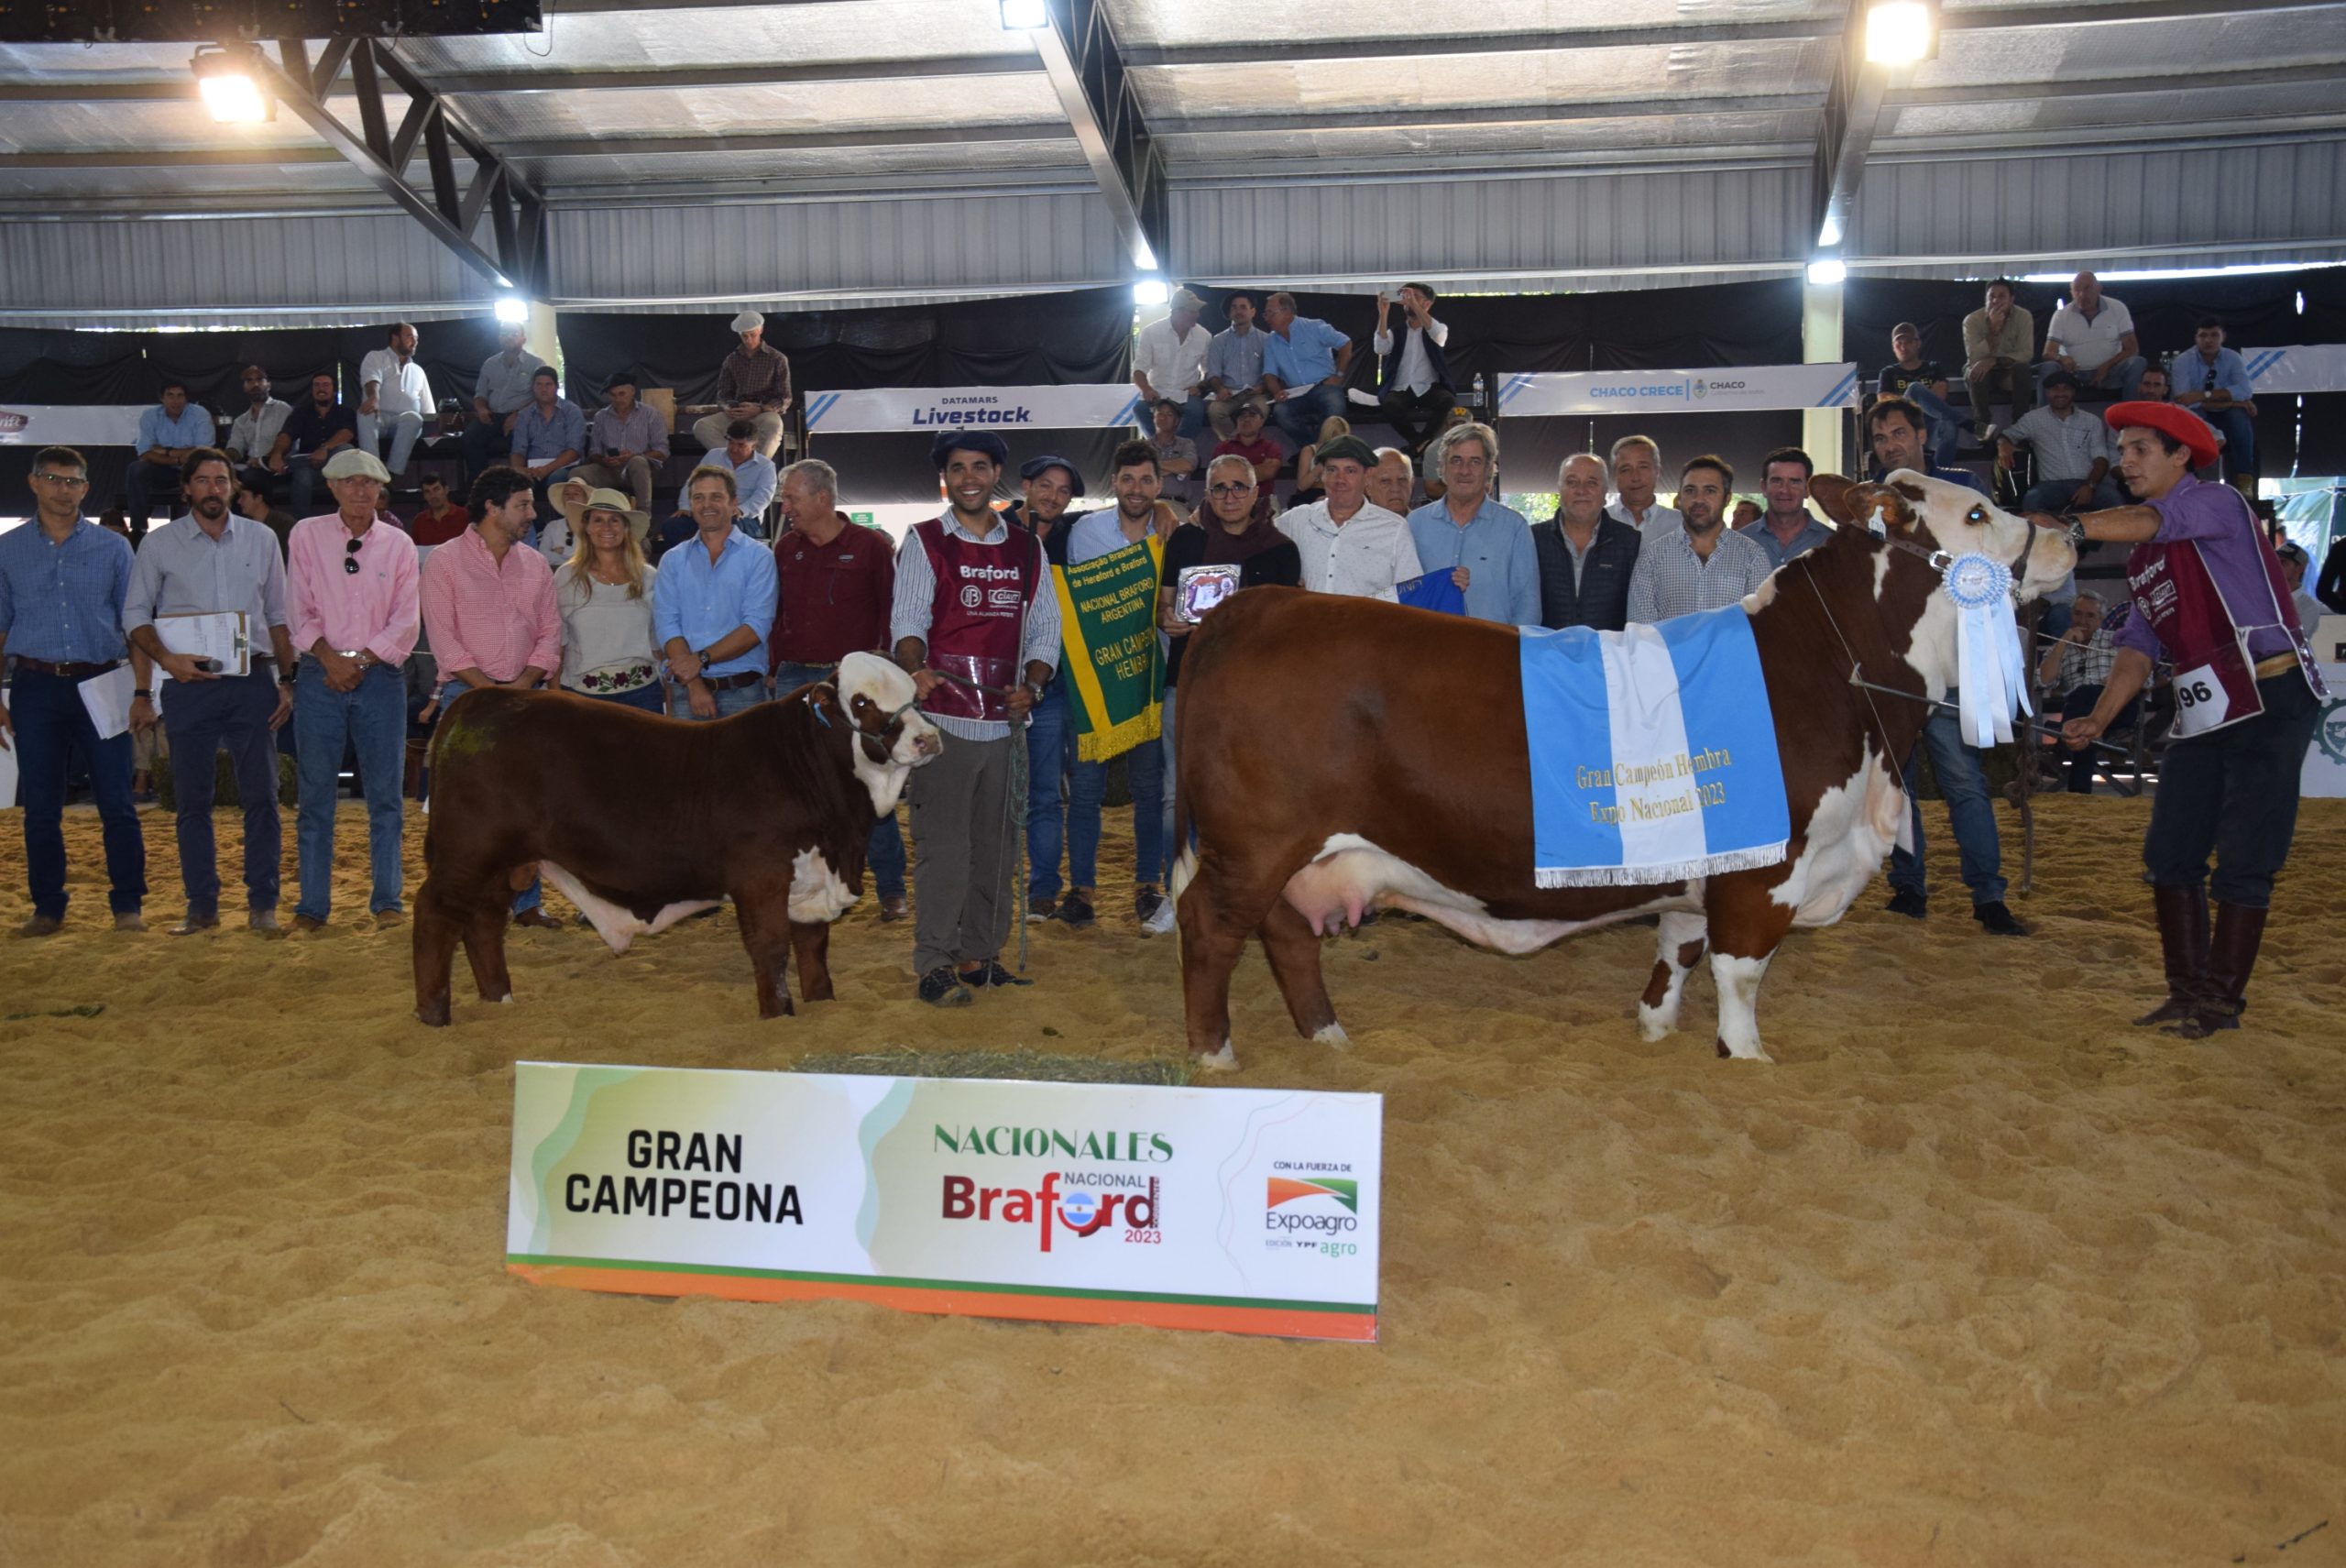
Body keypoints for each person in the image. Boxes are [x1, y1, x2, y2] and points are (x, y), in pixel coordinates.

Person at [2062, 401, 2323, 1036]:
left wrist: (2068, 531)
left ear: (2183, 456)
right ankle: (2188, 991)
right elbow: (2139, 648)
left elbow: (2153, 520)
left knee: (2245, 854)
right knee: (2170, 849)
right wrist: (2098, 717)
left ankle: (2218, 1000)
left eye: (2140, 449)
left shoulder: (2216, 504)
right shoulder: (2144, 559)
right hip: (2214, 705)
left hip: (2271, 693)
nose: (2125, 461)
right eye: (2122, 450)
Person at [890, 431, 1060, 1006]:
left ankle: (979, 955)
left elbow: (1044, 630)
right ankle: (934, 962)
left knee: (997, 847)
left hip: (1007, 728)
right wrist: (916, 669)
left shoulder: (1027, 549)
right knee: (943, 849)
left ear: (996, 476)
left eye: (980, 467)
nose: (969, 477)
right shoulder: (924, 541)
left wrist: (1034, 687)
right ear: (947, 478)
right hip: (944, 724)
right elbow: (908, 623)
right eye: (958, 468)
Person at [1865, 397, 2024, 937]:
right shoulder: (1873, 506)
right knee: (1899, 785)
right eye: (1882, 438)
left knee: (1964, 782)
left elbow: (2001, 550)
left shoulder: (1964, 492)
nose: (1891, 444)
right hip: (1897, 670)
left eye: (1899, 433)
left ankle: (1988, 895)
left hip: (1956, 663)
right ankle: (1909, 887)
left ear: (1923, 436)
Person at [122, 447, 297, 935]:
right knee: (191, 801)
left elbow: (280, 617)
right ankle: (201, 907)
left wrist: (288, 681)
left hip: (252, 682)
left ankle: (263, 905)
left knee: (262, 796)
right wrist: (166, 662)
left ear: (233, 488)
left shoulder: (262, 539)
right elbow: (134, 615)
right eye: (203, 480)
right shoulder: (159, 545)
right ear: (186, 489)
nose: (213, 489)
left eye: (222, 480)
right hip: (187, 685)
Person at [1153, 452, 1304, 933]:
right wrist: (1168, 620)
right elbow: (1164, 607)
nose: (1230, 496)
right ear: (1208, 494)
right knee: (1178, 796)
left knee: (1254, 799)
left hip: (1256, 699)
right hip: (1190, 685)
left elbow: (1291, 628)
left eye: (1240, 487)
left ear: (1257, 492)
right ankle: (1175, 897)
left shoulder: (1282, 550)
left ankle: (1249, 899)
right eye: (1219, 489)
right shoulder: (1187, 541)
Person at [0, 445, 146, 934]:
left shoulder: (114, 548)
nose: (65, 490)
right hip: (34, 686)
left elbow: (136, 626)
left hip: (103, 682)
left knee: (117, 801)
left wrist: (143, 691)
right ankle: (47, 907)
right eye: (54, 479)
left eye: (74, 481)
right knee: (40, 804)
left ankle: (128, 905)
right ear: (34, 483)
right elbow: (0, 627)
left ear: (87, 488)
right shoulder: (8, 549)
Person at [285, 447, 421, 931]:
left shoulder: (399, 544)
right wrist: (329, 659)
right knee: (315, 797)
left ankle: (387, 900)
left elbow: (407, 620)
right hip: (319, 675)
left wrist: (359, 660)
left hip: (379, 677)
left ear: (381, 490)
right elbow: (297, 609)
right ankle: (312, 907)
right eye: (351, 481)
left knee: (386, 797)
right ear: (333, 487)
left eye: (370, 483)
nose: (361, 491)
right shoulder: (306, 535)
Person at [769, 456, 908, 922]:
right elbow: (776, 614)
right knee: (804, 792)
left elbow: (892, 614)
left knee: (871, 787)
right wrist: (775, 669)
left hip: (853, 687)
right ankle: (825, 887)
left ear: (822, 499)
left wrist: (883, 675)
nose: (785, 505)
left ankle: (891, 889)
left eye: (792, 496)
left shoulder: (869, 547)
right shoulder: (786, 548)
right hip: (795, 680)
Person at [422, 466, 563, 927]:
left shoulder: (536, 563)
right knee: (465, 809)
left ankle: (526, 905)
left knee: (529, 806)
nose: (531, 512)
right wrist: (492, 693)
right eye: (523, 504)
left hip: (526, 696)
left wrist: (522, 686)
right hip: (467, 698)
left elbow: (550, 633)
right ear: (492, 508)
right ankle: (460, 898)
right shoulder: (444, 561)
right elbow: (444, 641)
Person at [1040, 440, 1170, 933]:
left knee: (1148, 789)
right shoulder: (1084, 533)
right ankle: (1083, 889)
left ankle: (1147, 885)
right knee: (1087, 790)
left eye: (1146, 480)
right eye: (1127, 479)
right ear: (1114, 483)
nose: (1136, 489)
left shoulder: (1172, 532)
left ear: (1158, 485)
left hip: (1147, 675)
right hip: (1093, 678)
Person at [653, 465, 777, 722]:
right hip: (687, 690)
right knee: (688, 764)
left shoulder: (759, 558)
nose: (706, 504)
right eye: (699, 497)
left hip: (743, 693)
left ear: (734, 503)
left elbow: (756, 627)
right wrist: (695, 684)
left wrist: (700, 659)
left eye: (716, 497)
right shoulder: (672, 560)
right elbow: (667, 625)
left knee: (745, 765)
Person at [1404, 422, 1537, 625]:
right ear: (1442, 467)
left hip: (1493, 652)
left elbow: (1528, 606)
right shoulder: (1414, 525)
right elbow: (1402, 595)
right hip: (1429, 652)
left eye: (1475, 462)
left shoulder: (1514, 528)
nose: (1464, 470)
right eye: (1456, 460)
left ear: (1489, 469)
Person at [1625, 455, 1770, 623]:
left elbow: (1762, 629)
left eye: (1710, 491)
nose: (1698, 499)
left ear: (1727, 498)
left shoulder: (1753, 557)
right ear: (1680, 498)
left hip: (1730, 651)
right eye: (1690, 490)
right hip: (1669, 651)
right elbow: (1642, 633)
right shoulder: (1653, 557)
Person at [554, 488, 663, 714]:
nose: (606, 527)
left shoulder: (648, 576)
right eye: (598, 520)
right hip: (583, 699)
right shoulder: (567, 577)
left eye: (614, 520)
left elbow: (658, 643)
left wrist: (669, 698)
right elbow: (557, 643)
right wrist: (555, 700)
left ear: (626, 528)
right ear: (586, 526)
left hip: (644, 695)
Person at [1277, 433, 1420, 598]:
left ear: (1367, 476)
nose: (1340, 480)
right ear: (1322, 475)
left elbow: (1411, 595)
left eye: (1350, 471)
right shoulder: (1297, 520)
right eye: (1332, 470)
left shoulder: (1394, 529)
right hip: (1309, 623)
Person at [2036, 591, 2133, 795]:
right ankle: (2079, 791)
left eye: (2090, 616)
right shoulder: (2060, 648)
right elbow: (2043, 680)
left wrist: (2114, 682)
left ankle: (2061, 750)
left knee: (2083, 695)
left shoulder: (2116, 642)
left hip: (2116, 709)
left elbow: (2142, 679)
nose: (2082, 620)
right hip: (2079, 712)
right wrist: (2064, 642)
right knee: (2081, 713)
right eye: (2078, 614)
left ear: (2101, 619)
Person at [1531, 453, 1642, 631]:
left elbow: (1637, 613)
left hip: (1607, 654)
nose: (1581, 490)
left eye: (1591, 483)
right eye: (1572, 482)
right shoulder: (1533, 539)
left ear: (1605, 491)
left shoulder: (1629, 542)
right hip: (1547, 653)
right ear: (1559, 490)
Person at [2000, 369, 2126, 515]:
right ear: (2047, 392)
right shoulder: (2033, 419)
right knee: (2032, 500)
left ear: (2073, 392)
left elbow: (2101, 459)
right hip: (2050, 485)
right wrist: (2002, 445)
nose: (2060, 393)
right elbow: (2006, 435)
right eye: (2055, 389)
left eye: (2066, 388)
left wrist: (2089, 486)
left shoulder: (2092, 421)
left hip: (2087, 482)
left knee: (2115, 499)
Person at [2171, 317, 2260, 488]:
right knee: (2194, 419)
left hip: (2225, 414)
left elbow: (2245, 391)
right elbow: (2184, 402)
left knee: (2239, 420)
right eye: (2203, 335)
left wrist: (2201, 395)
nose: (2208, 340)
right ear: (2195, 338)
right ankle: (2193, 483)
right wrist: (2235, 402)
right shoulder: (2183, 361)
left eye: (2214, 335)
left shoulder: (2233, 358)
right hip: (2198, 412)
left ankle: (2244, 480)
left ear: (2223, 336)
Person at [691, 310, 791, 460]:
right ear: (739, 335)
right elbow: (723, 395)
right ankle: (736, 461)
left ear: (761, 331)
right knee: (702, 426)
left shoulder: (777, 359)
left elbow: (784, 397)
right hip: (736, 415)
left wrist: (760, 409)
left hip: (763, 414)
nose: (749, 340)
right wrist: (728, 408)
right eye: (745, 336)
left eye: (753, 335)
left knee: (774, 425)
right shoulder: (731, 360)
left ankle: (756, 465)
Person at [1259, 292, 1353, 446]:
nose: (1267, 318)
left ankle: (1318, 451)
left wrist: (1339, 375)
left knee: (1335, 407)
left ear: (1287, 312)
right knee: (1281, 413)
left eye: (1271, 313)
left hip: (1324, 387)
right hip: (1295, 392)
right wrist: (1276, 391)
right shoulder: (1271, 341)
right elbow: (1269, 373)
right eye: (1266, 313)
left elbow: (1346, 344)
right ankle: (1313, 449)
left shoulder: (1314, 327)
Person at [1373, 283, 1455, 455]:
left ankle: (1417, 444)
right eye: (1405, 296)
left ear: (1427, 304)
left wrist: (1415, 305)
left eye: (1415, 296)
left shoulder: (1437, 328)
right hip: (1401, 387)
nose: (1408, 300)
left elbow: (1438, 336)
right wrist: (1383, 313)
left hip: (1429, 387)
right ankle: (1420, 443)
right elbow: (1381, 348)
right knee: (1390, 404)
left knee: (1447, 401)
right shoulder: (1396, 330)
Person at [122, 378, 214, 531]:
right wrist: (177, 458)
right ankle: (139, 530)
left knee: (206, 466)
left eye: (180, 395)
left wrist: (164, 450)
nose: (175, 400)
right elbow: (144, 452)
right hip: (163, 471)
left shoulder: (199, 414)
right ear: (162, 398)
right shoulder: (150, 416)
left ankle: (205, 529)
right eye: (170, 395)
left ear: (186, 398)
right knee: (136, 469)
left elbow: (203, 451)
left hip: (193, 470)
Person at [2041, 270, 2143, 402]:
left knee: (2137, 363)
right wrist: (2061, 358)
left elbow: (2132, 349)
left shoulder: (2118, 308)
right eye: (2077, 290)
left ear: (2099, 289)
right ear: (2071, 292)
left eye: (2087, 289)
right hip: (2073, 374)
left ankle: (2131, 415)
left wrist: (2106, 366)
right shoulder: (2061, 315)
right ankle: (2040, 418)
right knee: (2048, 367)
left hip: (2110, 373)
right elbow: (2047, 353)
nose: (2082, 295)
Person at [574, 373, 669, 514]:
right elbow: (594, 452)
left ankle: (644, 514)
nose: (618, 399)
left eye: (622, 394)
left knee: (637, 462)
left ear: (632, 392)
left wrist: (634, 456)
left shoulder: (650, 414)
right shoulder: (601, 417)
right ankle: (586, 516)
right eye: (613, 395)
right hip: (609, 470)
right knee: (577, 473)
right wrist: (604, 460)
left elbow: (662, 451)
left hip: (641, 472)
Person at [269, 370, 357, 517]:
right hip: (311, 467)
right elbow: (286, 434)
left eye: (326, 385)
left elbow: (347, 433)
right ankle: (300, 526)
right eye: (316, 385)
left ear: (334, 390)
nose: (321, 389)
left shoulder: (345, 411)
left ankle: (285, 463)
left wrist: (325, 449)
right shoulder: (301, 412)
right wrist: (277, 453)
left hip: (337, 469)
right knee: (302, 475)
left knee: (346, 449)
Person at [1878, 322, 1968, 466]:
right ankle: (1968, 423)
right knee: (1915, 389)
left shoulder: (1933, 367)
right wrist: (1917, 398)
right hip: (1904, 426)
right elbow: (1884, 400)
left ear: (1917, 343)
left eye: (1907, 342)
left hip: (1931, 426)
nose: (1903, 347)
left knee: (1950, 425)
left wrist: (1905, 399)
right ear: (1893, 347)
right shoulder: (1888, 373)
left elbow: (1940, 397)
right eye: (1898, 343)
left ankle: (1939, 476)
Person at [466, 321, 546, 483]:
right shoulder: (490, 364)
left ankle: (518, 485)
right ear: (499, 338)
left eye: (514, 333)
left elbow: (540, 397)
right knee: (469, 437)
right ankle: (482, 483)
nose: (508, 337)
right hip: (492, 415)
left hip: (523, 416)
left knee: (520, 442)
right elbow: (480, 394)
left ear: (523, 339)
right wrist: (481, 409)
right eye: (504, 333)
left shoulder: (536, 364)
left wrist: (518, 415)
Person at [356, 322, 433, 488]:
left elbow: (428, 410)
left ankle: (391, 475)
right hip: (379, 418)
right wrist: (374, 398)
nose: (414, 342)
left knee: (414, 417)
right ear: (395, 338)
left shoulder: (418, 371)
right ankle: (373, 471)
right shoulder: (376, 357)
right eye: (409, 337)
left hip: (403, 424)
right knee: (365, 414)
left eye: (416, 338)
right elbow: (372, 380)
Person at [1132, 287, 1211, 439]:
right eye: (1192, 311)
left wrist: (1199, 387)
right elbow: (1139, 368)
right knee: (1140, 409)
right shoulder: (1151, 332)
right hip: (1157, 391)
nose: (1197, 315)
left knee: (1196, 411)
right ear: (1177, 312)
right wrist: (1146, 389)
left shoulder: (1204, 336)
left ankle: (1180, 448)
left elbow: (1208, 371)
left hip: (1186, 394)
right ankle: (1157, 447)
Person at [1962, 279, 2035, 434]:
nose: (1995, 300)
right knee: (1975, 372)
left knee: (2022, 370)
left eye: (2001, 296)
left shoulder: (2023, 316)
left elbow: (2026, 353)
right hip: (1981, 369)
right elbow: (1974, 356)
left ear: (2011, 299)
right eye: (1991, 296)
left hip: (2007, 370)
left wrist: (1995, 361)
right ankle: (1982, 428)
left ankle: (2020, 428)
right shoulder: (1972, 320)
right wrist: (1993, 331)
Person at [1739, 446, 1833, 568]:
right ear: (1763, 487)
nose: (1784, 490)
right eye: (1777, 481)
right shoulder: (1739, 543)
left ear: (1808, 489)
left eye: (1794, 482)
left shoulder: (1831, 544)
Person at [508, 367, 586, 505]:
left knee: (556, 480)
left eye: (548, 384)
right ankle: (531, 526)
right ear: (533, 388)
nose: (543, 389)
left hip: (566, 466)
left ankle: (557, 525)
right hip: (534, 468)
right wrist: (519, 470)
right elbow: (518, 450)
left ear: (556, 387)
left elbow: (574, 451)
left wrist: (546, 469)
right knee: (516, 482)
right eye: (539, 384)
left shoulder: (571, 411)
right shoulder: (525, 415)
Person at [1202, 289, 1270, 439]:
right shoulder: (1218, 341)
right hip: (1229, 393)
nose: (1238, 311)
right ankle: (1237, 446)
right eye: (1234, 307)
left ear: (1252, 312)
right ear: (1229, 313)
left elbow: (1272, 371)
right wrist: (1220, 389)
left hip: (1255, 393)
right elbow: (1213, 373)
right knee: (1215, 411)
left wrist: (1263, 386)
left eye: (1243, 307)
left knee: (1258, 412)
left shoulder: (1266, 340)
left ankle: (1239, 448)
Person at [1211, 401, 1284, 527]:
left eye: (1252, 416)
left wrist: (1233, 472)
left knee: (1276, 529)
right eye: (1242, 417)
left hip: (1264, 499)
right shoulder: (1224, 446)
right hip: (1230, 498)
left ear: (1261, 421)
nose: (1247, 419)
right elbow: (1218, 475)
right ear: (1237, 422)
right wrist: (1257, 470)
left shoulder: (1271, 446)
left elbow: (1268, 472)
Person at [223, 366, 291, 496]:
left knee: (250, 479)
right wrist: (225, 460)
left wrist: (262, 461)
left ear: (268, 385)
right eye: (249, 380)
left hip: (278, 466)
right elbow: (235, 448)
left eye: (259, 379)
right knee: (223, 477)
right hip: (250, 467)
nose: (255, 384)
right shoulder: (241, 421)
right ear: (244, 387)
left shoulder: (282, 409)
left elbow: (288, 441)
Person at [708, 419, 778, 537]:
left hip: (746, 519)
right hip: (710, 513)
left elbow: (763, 497)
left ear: (754, 445)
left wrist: (741, 510)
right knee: (673, 525)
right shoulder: (713, 456)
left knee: (730, 525)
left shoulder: (765, 466)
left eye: (741, 445)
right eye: (731, 442)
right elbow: (693, 483)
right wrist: (686, 507)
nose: (734, 449)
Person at [1606, 434, 1681, 534]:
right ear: (1615, 475)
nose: (1635, 477)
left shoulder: (1680, 524)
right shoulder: (1597, 522)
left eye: (1643, 467)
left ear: (1658, 471)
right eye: (1626, 469)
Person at [1146, 396, 1198, 508]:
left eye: (1169, 415)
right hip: (1149, 504)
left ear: (1177, 421)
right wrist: (1174, 468)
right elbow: (1143, 472)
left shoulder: (1186, 444)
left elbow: (1188, 465)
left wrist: (1155, 465)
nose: (1164, 418)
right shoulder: (1144, 446)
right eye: (1160, 414)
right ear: (1154, 418)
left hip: (1177, 504)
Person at [232, 471, 298, 557]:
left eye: (243, 496)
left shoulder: (285, 524)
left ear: (258, 498)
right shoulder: (242, 526)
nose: (239, 501)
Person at [1290, 414, 1350, 508]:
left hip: (1337, 493)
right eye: (1336, 437)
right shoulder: (1309, 451)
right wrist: (1322, 464)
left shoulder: (1349, 454)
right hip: (1311, 494)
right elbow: (1301, 486)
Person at [407, 470, 470, 546]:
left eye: (436, 489)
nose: (433, 496)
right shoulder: (419, 521)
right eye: (427, 492)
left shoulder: (464, 516)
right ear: (424, 496)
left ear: (446, 490)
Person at [1366, 447, 1415, 516]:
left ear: (1412, 482)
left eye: (1402, 480)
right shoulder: (1352, 525)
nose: (1396, 489)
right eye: (1385, 481)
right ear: (1368, 487)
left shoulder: (1426, 524)